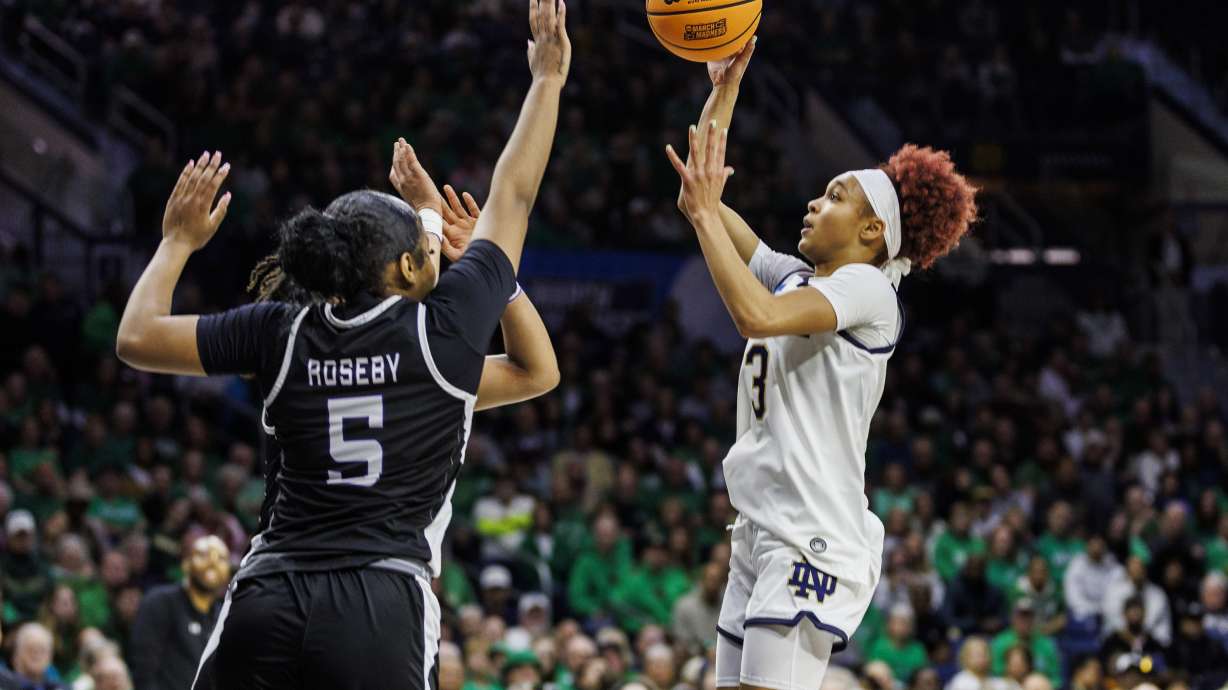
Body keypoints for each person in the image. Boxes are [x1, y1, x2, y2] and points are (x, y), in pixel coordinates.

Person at [112, 0, 570, 685]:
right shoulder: (442, 335)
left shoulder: (281, 328)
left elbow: (137, 337)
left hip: (272, 592)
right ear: (410, 270)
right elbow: (515, 195)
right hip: (379, 603)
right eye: (424, 245)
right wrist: (547, 80)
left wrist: (176, 241)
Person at [667, 35, 977, 690]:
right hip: (760, 525)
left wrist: (702, 218)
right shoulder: (794, 277)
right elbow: (709, 201)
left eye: (835, 196)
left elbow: (754, 315)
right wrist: (725, 90)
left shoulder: (870, 290)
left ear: (873, 234)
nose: (814, 202)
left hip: (811, 532)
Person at [127, 536, 230, 690]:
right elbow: (143, 667)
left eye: (221, 558)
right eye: (203, 555)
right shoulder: (160, 601)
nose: (212, 563)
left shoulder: (223, 616)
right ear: (186, 563)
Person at [10, 622, 62, 689]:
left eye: (42, 650)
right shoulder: (5, 685)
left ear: (50, 656)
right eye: (32, 649)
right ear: (17, 654)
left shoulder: (59, 687)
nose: (37, 654)